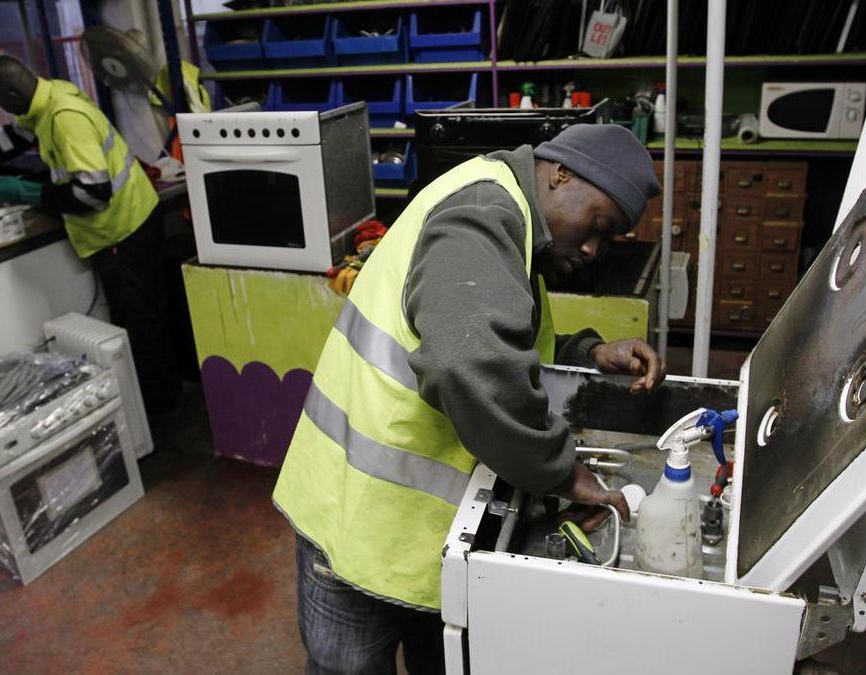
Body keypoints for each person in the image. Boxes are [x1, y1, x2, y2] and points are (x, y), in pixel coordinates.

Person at [272, 123, 663, 674]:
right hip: (358, 515)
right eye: (598, 224)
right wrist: (564, 472)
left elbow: (497, 336)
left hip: (417, 531)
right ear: (560, 173)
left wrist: (587, 353)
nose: (594, 248)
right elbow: (468, 363)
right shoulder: (485, 214)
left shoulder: (513, 225)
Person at [0, 55, 180, 417]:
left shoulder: (65, 119)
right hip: (126, 224)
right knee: (142, 318)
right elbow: (7, 142)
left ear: (11, 92)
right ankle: (160, 403)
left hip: (123, 229)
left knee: (141, 323)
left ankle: (161, 412)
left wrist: (26, 194)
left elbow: (92, 194)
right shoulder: (45, 101)